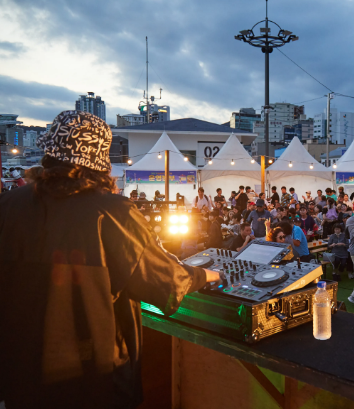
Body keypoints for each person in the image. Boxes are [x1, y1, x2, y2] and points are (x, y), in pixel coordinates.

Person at [0, 110, 222, 408]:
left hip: (21, 374)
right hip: (92, 377)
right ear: (100, 162)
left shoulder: (8, 205)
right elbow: (163, 282)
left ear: (50, 153)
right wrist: (207, 274)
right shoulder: (113, 212)